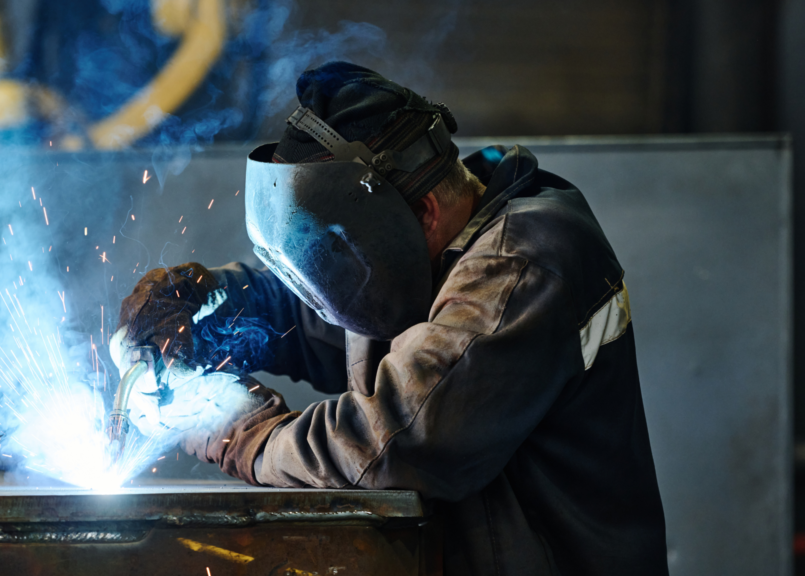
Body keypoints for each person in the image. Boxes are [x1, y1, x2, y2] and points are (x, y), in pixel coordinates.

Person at [112, 61, 668, 575]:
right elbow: (313, 313)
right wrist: (207, 302)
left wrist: (230, 424)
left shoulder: (522, 263)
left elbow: (395, 442)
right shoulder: (421, 253)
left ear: (424, 213)